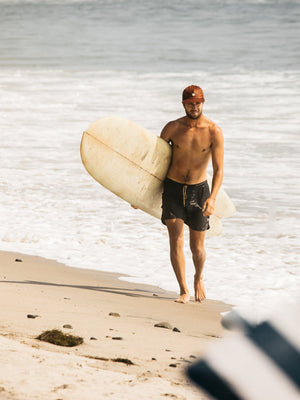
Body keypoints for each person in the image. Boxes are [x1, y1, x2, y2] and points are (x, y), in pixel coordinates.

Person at [160, 85, 224, 304]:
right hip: (173, 189)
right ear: (183, 104)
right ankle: (183, 289)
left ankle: (198, 277)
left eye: (197, 103)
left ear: (203, 103)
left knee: (197, 247)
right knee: (175, 240)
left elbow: (219, 170)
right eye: (190, 103)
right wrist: (139, 194)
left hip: (199, 191)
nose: (194, 107)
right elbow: (155, 162)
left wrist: (212, 197)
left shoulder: (214, 131)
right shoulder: (172, 128)